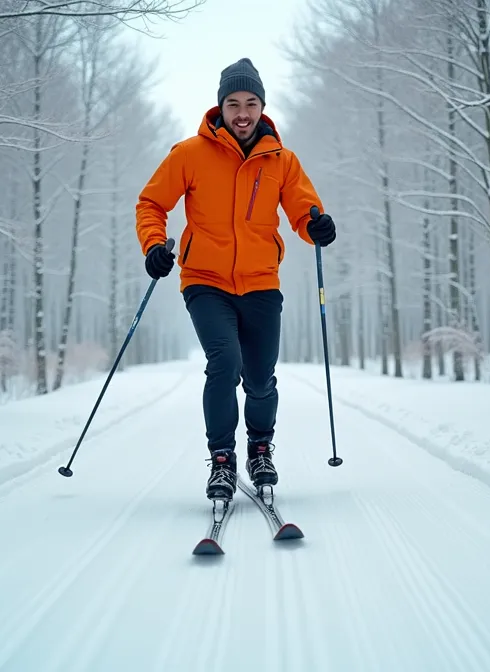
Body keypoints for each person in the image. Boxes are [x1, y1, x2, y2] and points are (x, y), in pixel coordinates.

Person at [134, 58, 337, 501]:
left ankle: (260, 449)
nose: (242, 113)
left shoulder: (282, 160)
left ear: (262, 107)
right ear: (220, 107)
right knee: (225, 363)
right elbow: (151, 204)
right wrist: (153, 246)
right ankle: (222, 459)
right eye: (233, 104)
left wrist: (315, 226)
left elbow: (305, 211)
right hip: (204, 281)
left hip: (261, 282)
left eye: (250, 103)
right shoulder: (189, 154)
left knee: (261, 377)